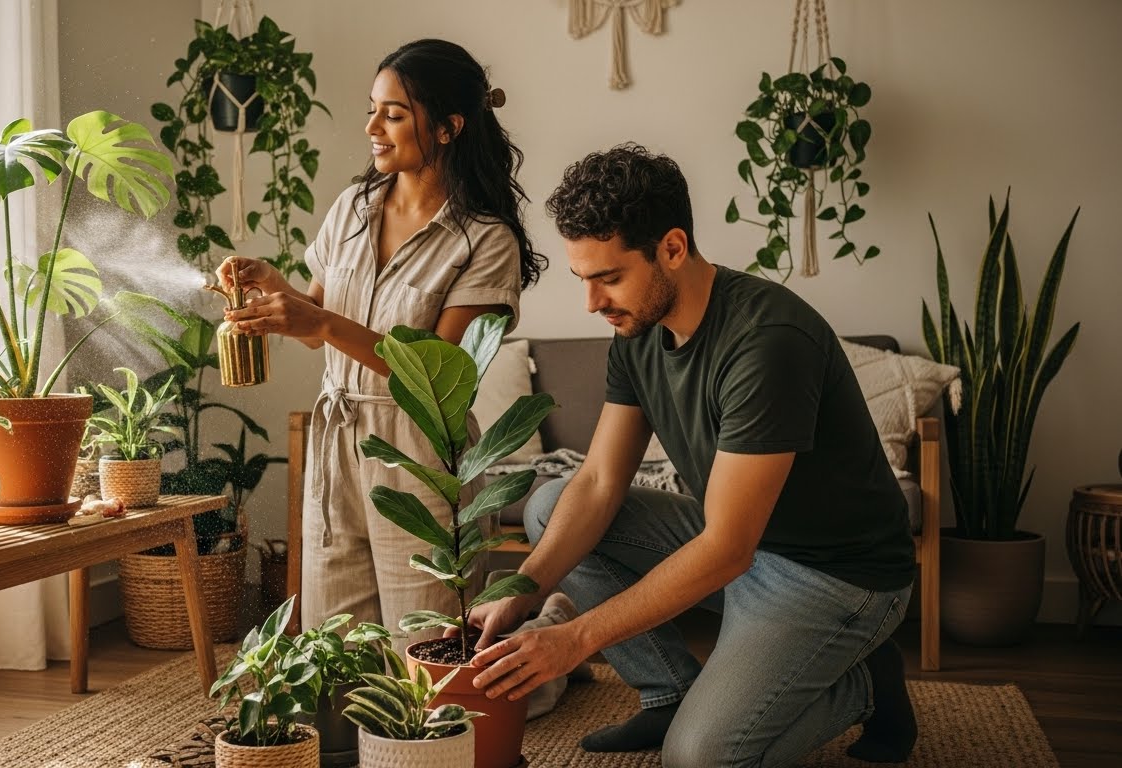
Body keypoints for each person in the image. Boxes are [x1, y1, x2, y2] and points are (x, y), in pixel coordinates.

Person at [463, 143, 918, 766]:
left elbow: (727, 548)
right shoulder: (637, 331)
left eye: (610, 277)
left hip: (836, 574)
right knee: (550, 507)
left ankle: (865, 684)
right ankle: (671, 694)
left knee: (700, 759)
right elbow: (598, 481)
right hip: (743, 545)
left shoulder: (767, 342)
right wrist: (523, 589)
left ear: (672, 248)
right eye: (583, 279)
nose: (592, 303)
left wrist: (575, 640)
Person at [216, 39, 546, 640]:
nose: (372, 127)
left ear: (447, 128)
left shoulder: (483, 241)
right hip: (336, 443)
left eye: (393, 114)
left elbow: (442, 375)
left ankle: (539, 659)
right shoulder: (351, 207)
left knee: (425, 651)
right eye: (373, 108)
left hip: (421, 454)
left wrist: (317, 323)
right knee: (334, 644)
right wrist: (278, 291)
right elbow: (321, 326)